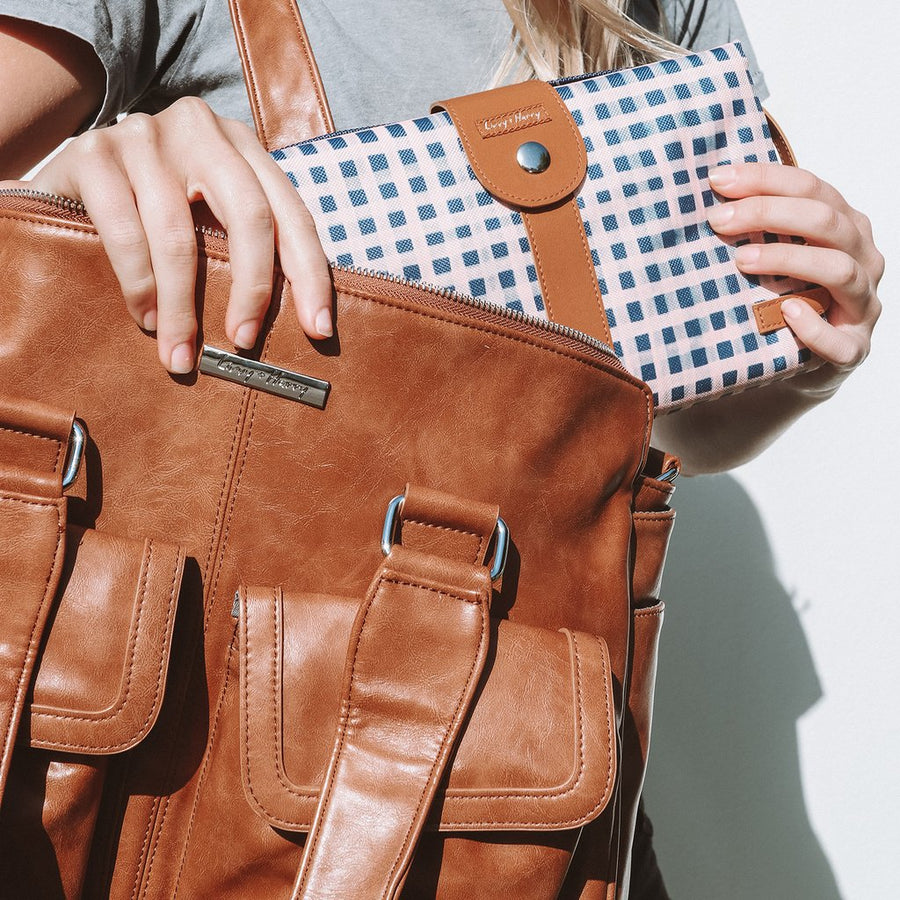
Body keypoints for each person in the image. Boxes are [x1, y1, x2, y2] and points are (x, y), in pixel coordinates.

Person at [0, 2, 884, 896]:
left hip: (499, 769)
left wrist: (804, 352)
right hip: (171, 736)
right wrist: (67, 192)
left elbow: (663, 425)